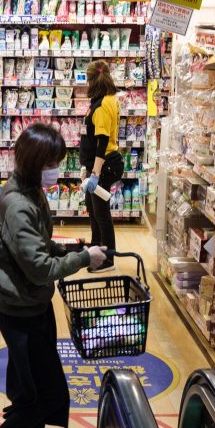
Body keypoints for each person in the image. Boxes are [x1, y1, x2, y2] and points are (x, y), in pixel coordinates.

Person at [0, 124, 107, 428]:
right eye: (52, 163)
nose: (56, 170)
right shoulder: (19, 205)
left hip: (32, 306)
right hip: (21, 313)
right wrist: (81, 258)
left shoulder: (30, 192)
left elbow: (39, 249)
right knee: (50, 397)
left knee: (32, 396)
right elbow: (39, 268)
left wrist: (71, 249)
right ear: (35, 162)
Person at [79, 60, 124, 273]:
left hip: (104, 165)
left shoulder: (104, 103)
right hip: (96, 166)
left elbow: (103, 140)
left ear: (93, 80)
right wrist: (86, 168)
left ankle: (108, 259)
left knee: (101, 214)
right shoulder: (103, 99)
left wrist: (95, 173)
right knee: (93, 210)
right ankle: (95, 250)